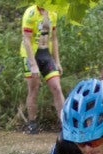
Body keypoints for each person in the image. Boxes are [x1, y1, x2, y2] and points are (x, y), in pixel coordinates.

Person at [20, 3, 64, 134]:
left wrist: (57, 61)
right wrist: (33, 64)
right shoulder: (31, 13)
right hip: (31, 54)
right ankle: (32, 123)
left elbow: (54, 38)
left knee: (57, 87)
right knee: (34, 88)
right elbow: (26, 40)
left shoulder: (53, 13)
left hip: (46, 53)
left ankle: (64, 122)